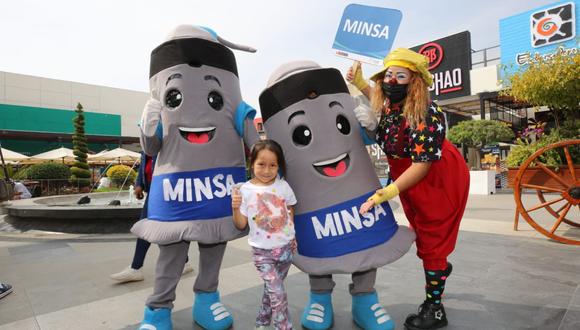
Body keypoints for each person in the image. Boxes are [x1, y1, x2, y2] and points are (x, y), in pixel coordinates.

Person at [348, 48, 470, 330]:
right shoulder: (393, 103)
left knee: (432, 238)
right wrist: (360, 82)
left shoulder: (426, 112)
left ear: (414, 81)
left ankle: (435, 307)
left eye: (400, 76)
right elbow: (384, 101)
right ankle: (438, 268)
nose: (391, 81)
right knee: (421, 231)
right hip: (407, 175)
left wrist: (387, 192)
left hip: (436, 178)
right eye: (388, 75)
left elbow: (423, 164)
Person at [231, 140, 297, 330]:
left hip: (286, 249)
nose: (267, 170)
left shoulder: (283, 186)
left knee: (272, 291)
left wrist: (293, 234)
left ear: (279, 166)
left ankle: (261, 322)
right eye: (261, 164)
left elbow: (290, 208)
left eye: (273, 165)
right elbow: (240, 224)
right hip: (262, 253)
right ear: (252, 163)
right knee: (278, 293)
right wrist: (235, 207)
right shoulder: (245, 190)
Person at [110, 152, 193, 283]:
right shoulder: (145, 148)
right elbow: (143, 166)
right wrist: (139, 185)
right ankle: (184, 262)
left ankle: (136, 268)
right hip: (155, 191)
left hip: (165, 190)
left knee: (148, 226)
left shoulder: (163, 143)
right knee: (157, 228)